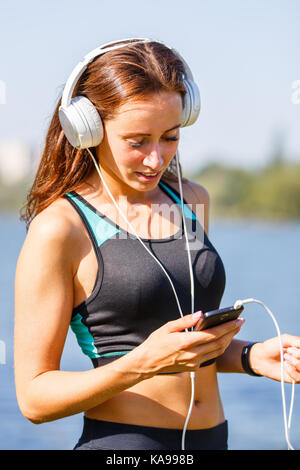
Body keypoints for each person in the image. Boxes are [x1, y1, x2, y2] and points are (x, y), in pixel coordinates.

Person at [14, 39, 300, 451]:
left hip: (214, 440)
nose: (156, 159)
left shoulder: (192, 199)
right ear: (87, 129)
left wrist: (251, 357)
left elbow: (182, 345)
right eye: (137, 141)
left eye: (170, 136)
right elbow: (34, 399)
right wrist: (143, 364)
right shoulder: (60, 228)